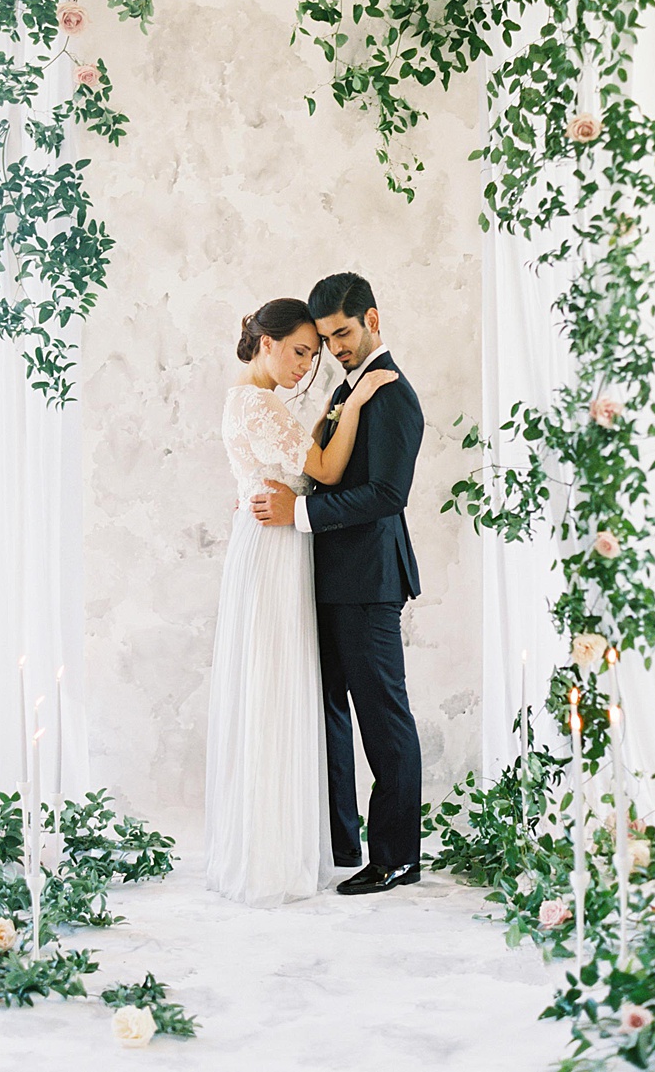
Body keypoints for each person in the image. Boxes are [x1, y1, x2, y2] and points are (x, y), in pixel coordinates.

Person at [205, 297, 397, 908]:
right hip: (274, 551)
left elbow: (291, 456)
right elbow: (325, 470)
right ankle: (272, 852)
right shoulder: (259, 403)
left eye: (312, 355)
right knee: (275, 687)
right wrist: (357, 402)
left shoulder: (246, 399)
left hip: (266, 544)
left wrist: (326, 414)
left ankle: (270, 841)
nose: (305, 365)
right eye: (298, 351)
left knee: (276, 686)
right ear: (266, 343)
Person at [250, 273, 424, 896]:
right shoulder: (347, 389)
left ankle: (398, 857)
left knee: (383, 720)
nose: (337, 348)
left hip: (370, 580)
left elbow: (386, 494)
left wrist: (297, 515)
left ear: (373, 319)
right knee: (326, 715)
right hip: (323, 578)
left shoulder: (393, 394)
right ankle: (342, 843)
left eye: (343, 333)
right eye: (326, 339)